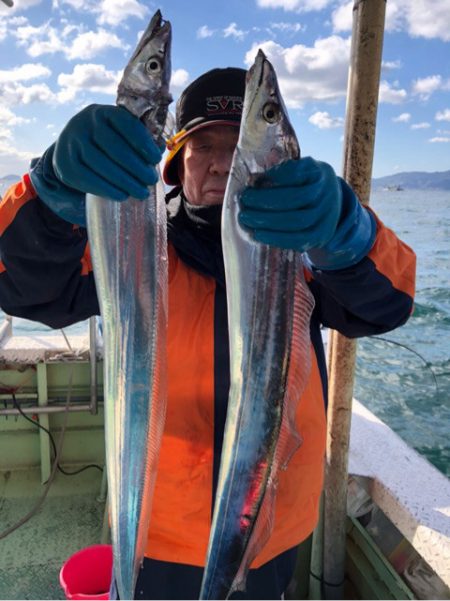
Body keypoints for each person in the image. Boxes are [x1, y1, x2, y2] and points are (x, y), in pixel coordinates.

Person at [0, 67, 416, 600]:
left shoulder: (302, 254)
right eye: (203, 144)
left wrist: (347, 228)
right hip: (157, 530)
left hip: (272, 526)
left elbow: (388, 305)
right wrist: (48, 191)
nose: (223, 162)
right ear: (175, 162)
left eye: (238, 145)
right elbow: (23, 288)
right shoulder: (135, 244)